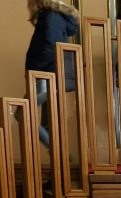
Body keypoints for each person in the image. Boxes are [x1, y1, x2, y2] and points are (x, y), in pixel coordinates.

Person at [25, 0, 79, 148]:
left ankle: (59, 152)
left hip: (46, 74)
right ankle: (58, 155)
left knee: (23, 113)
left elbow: (51, 45)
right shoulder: (54, 15)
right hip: (50, 74)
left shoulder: (51, 16)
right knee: (47, 122)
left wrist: (36, 69)